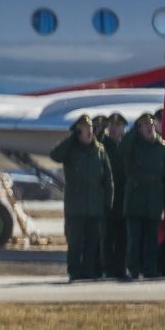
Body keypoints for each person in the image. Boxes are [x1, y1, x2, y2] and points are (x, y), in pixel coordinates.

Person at [49, 115, 113, 281]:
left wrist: (107, 203)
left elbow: (108, 179)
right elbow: (55, 155)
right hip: (75, 207)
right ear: (78, 132)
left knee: (92, 242)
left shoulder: (99, 150)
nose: (89, 132)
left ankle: (89, 271)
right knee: (75, 242)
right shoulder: (71, 150)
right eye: (84, 129)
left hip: (94, 206)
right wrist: (71, 138)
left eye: (90, 129)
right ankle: (74, 271)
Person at [120, 112, 165, 280]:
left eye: (151, 125)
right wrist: (134, 131)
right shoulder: (133, 144)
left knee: (152, 240)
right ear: (139, 128)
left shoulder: (162, 146)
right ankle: (133, 269)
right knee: (134, 240)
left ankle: (150, 269)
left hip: (154, 199)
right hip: (135, 199)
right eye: (145, 125)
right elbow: (122, 149)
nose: (149, 128)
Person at [100, 113, 129, 280]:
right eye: (111, 126)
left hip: (124, 199)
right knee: (107, 238)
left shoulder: (127, 146)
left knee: (123, 237)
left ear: (123, 128)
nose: (113, 129)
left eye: (117, 126)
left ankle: (121, 268)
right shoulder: (102, 146)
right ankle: (108, 269)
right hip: (108, 199)